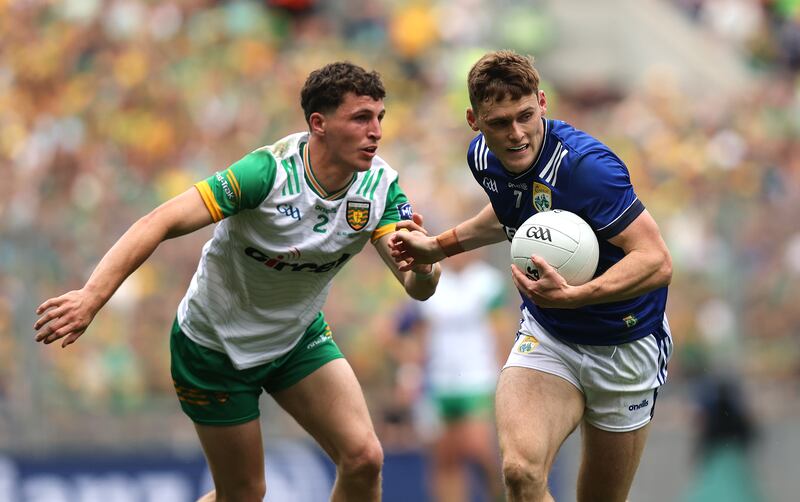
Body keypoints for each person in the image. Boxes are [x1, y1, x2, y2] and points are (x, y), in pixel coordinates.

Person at [33, 61, 441, 502]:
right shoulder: (266, 173)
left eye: (380, 117)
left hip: (295, 339)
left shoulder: (381, 187)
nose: (376, 132)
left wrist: (424, 265)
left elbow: (417, 287)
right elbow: (159, 221)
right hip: (214, 347)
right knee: (243, 494)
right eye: (361, 118)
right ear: (318, 124)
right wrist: (92, 297)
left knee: (364, 459)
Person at [389, 49, 673, 502]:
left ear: (542, 102)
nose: (516, 134)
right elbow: (509, 213)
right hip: (550, 337)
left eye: (525, 116)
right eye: (499, 123)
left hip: (624, 344)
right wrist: (438, 246)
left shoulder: (587, 169)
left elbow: (656, 260)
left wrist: (580, 295)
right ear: (474, 120)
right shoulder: (483, 158)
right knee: (520, 472)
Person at [392, 251, 507, 502]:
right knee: (445, 458)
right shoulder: (431, 282)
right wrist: (410, 374)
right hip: (439, 382)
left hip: (479, 379)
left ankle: (501, 496)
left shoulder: (488, 282)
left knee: (478, 449)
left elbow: (501, 332)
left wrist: (507, 377)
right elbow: (417, 335)